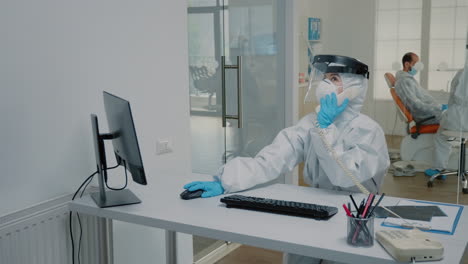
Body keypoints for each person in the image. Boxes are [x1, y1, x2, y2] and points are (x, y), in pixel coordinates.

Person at [183, 55, 390, 263]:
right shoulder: (310, 123)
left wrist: (325, 128)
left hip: (356, 219)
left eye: (334, 79)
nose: (325, 84)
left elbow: (345, 175)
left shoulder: (369, 131)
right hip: (316, 213)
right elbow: (271, 159)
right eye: (325, 77)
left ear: (354, 88)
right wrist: (226, 180)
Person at [425, 68, 467, 177]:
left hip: (458, 117)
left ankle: (438, 169)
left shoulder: (463, 72)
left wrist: (445, 111)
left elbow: (455, 96)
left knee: (440, 137)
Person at [394, 52, 446, 125]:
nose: (417, 68)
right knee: (457, 117)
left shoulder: (408, 79)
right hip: (425, 117)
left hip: (430, 113)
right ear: (406, 64)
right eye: (416, 65)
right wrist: (440, 107)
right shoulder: (404, 81)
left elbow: (421, 97)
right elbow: (416, 105)